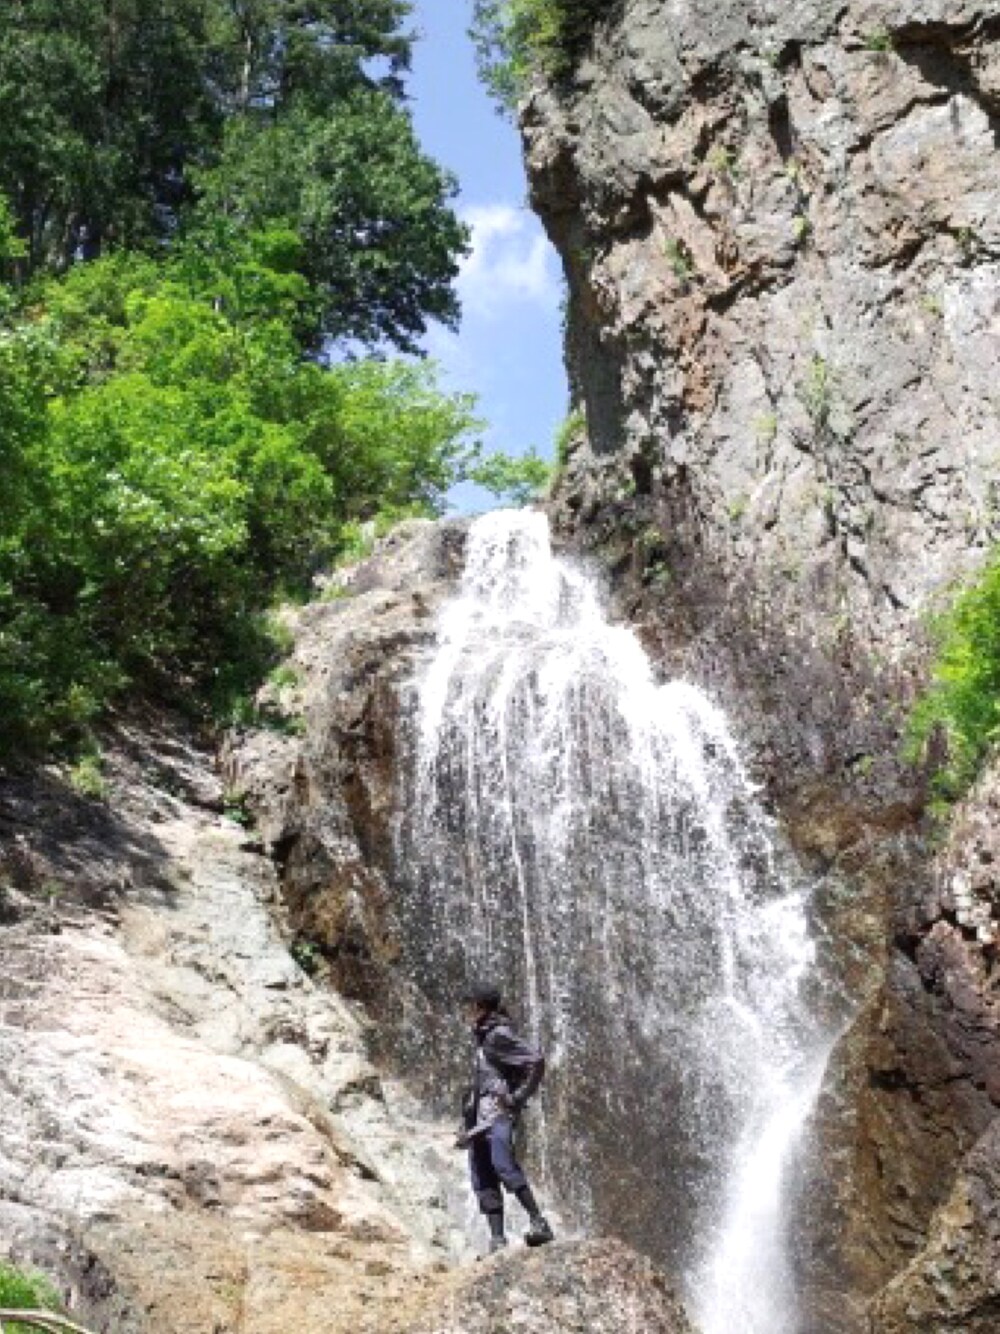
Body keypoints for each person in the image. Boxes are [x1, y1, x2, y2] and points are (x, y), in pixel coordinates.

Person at [458, 981, 555, 1254]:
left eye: (469, 1005)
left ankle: (539, 1222)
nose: (466, 1010)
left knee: (503, 1165)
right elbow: (480, 1084)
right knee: (482, 1174)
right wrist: (466, 1125)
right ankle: (497, 1239)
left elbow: (536, 1059)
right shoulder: (481, 1035)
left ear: (480, 1007)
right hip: (479, 1118)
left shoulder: (497, 1035)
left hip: (498, 1115)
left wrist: (518, 1097)